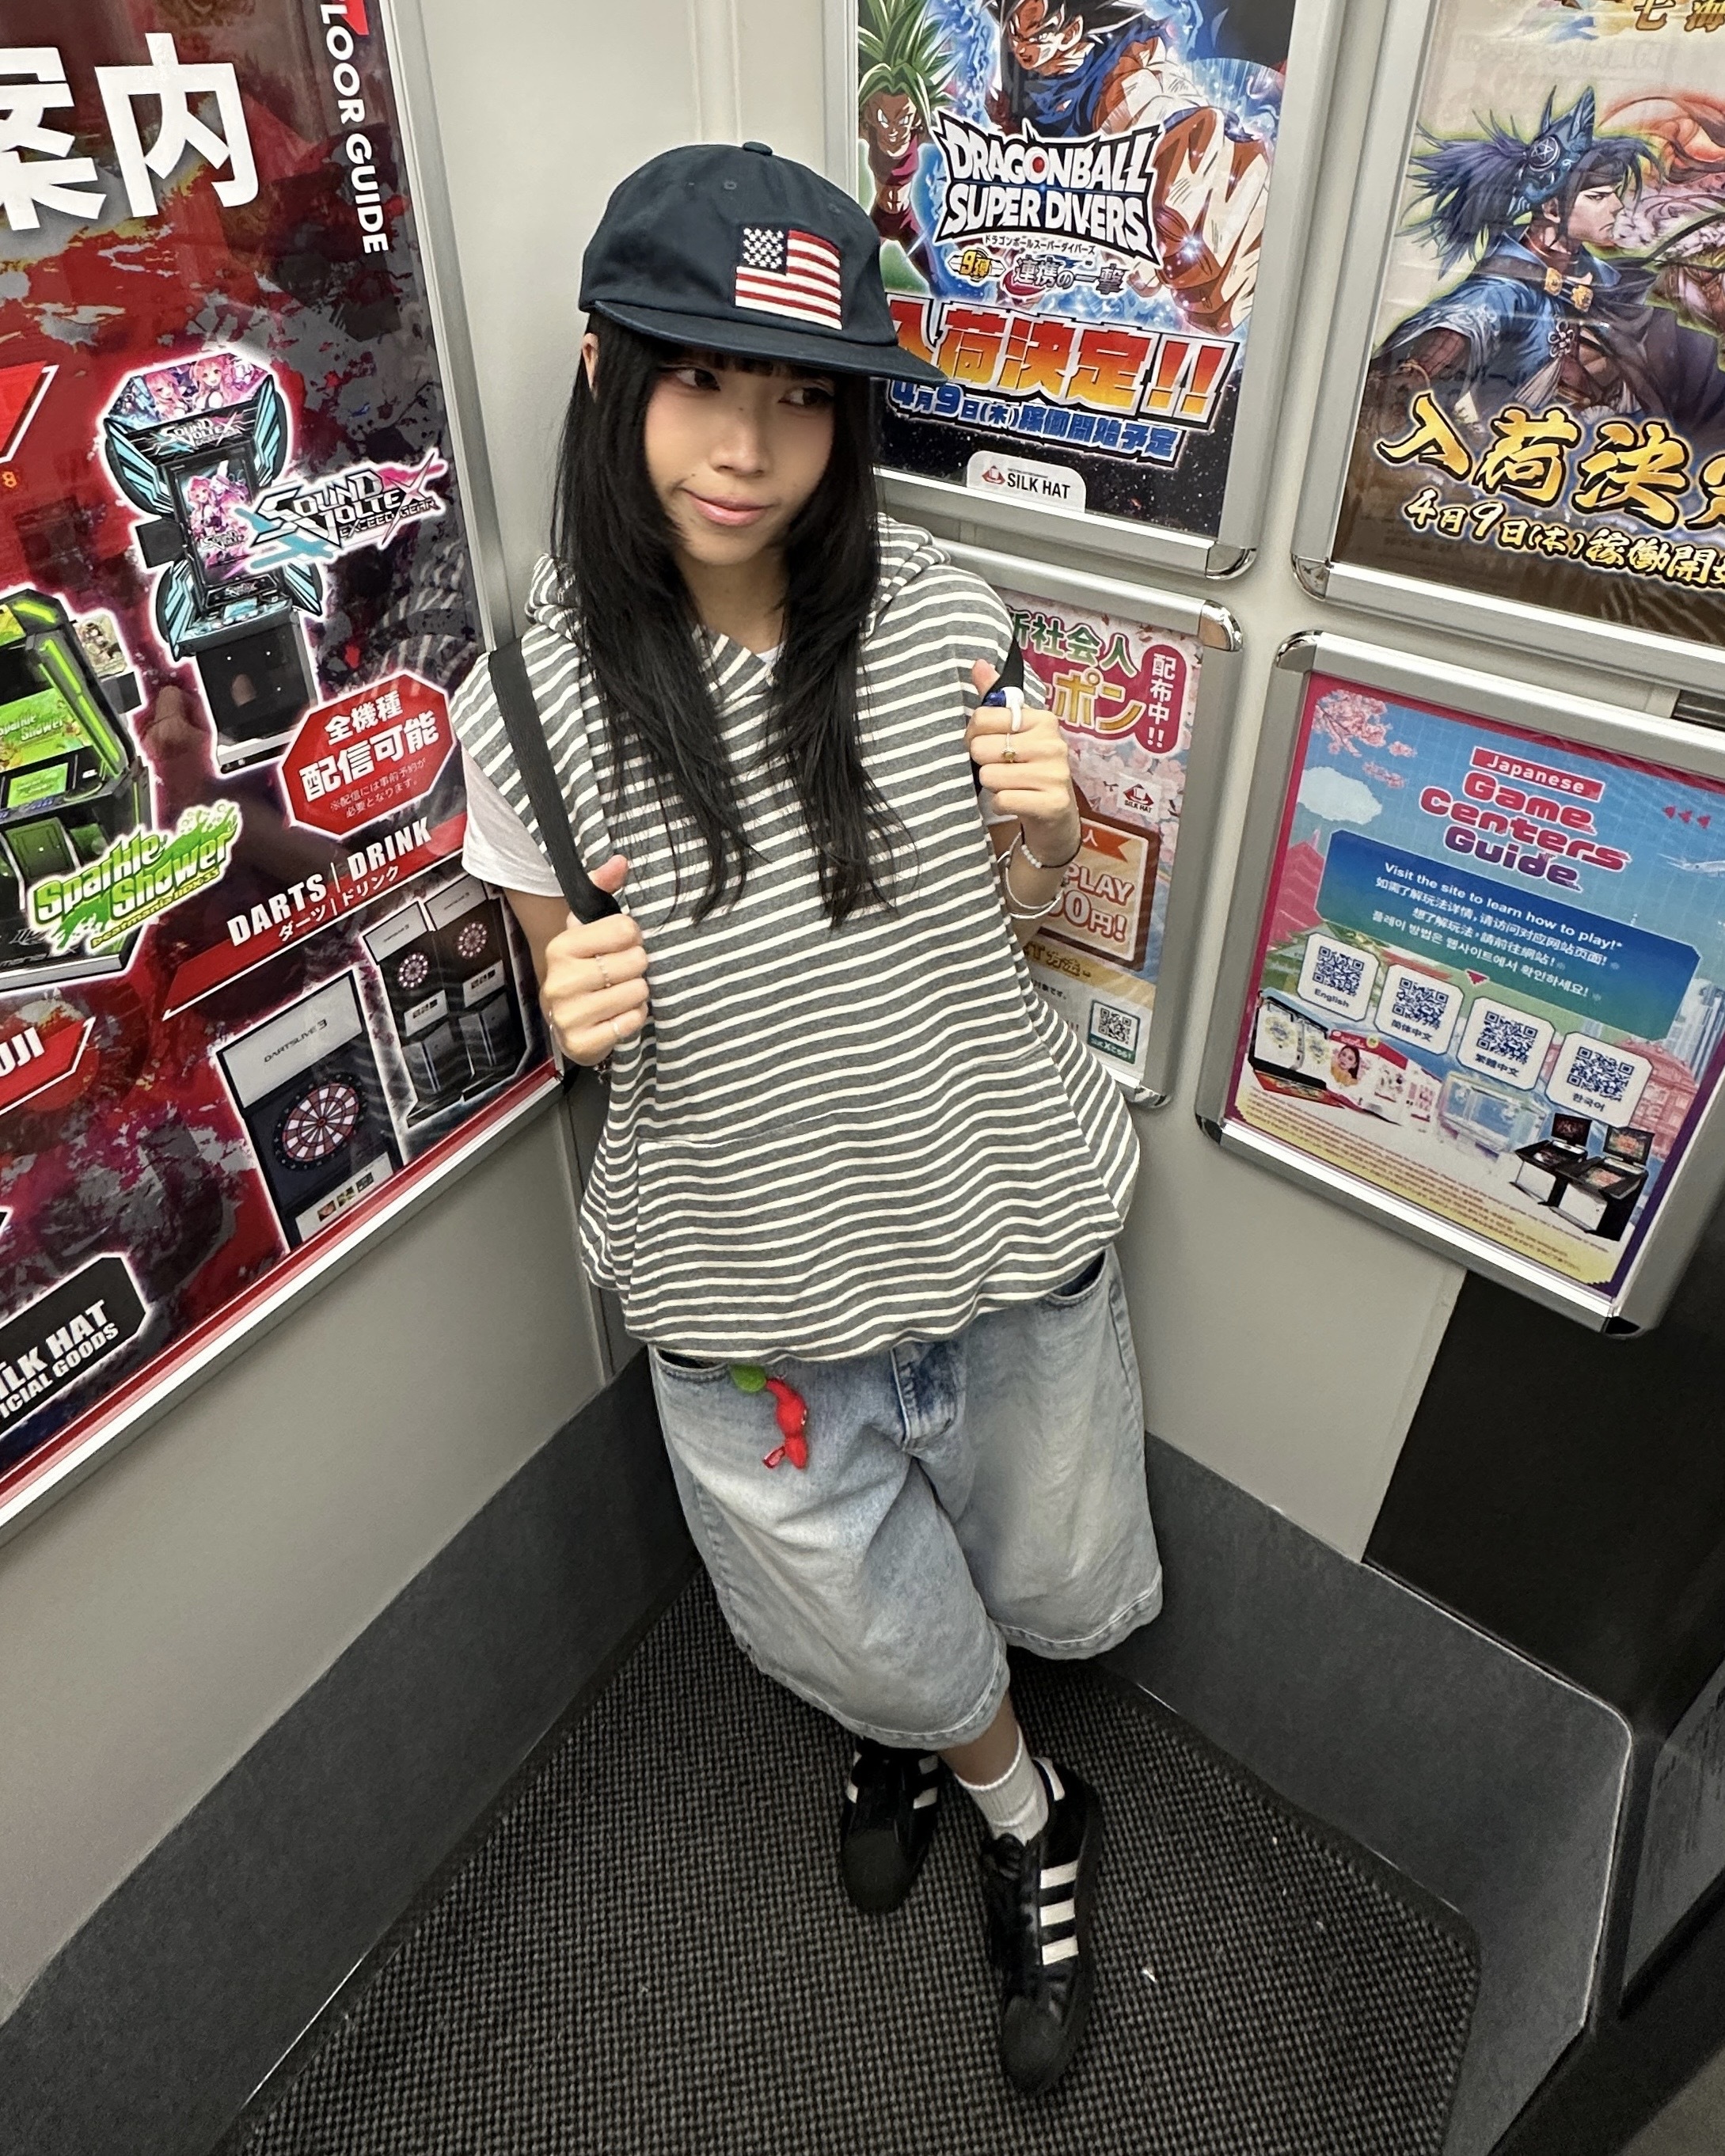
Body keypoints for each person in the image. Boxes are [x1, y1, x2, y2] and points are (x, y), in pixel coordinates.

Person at [450, 140, 1161, 2096]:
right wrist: (567, 1016)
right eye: (698, 380)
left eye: (798, 397)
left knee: (1025, 1555)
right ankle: (1024, 1804)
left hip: (985, 1212)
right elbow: (572, 1006)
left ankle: (932, 1725)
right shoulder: (526, 703)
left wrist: (1044, 834)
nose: (746, 449)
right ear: (605, 374)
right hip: (748, 1274)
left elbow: (1010, 920)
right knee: (849, 1592)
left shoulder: (941, 615)